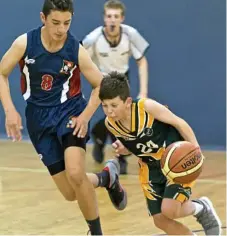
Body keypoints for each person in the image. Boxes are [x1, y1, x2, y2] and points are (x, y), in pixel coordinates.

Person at [0, 1, 127, 235]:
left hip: (70, 113)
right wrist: (9, 109)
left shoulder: (74, 48)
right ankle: (106, 178)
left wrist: (86, 116)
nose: (61, 29)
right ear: (43, 18)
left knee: (76, 174)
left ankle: (95, 232)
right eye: (56, 23)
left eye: (67, 23)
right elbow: (2, 72)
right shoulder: (24, 44)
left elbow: (101, 84)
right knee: (71, 192)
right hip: (38, 119)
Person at [97, 71, 222, 235]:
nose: (109, 111)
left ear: (127, 102)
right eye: (104, 106)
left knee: (170, 209)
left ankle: (201, 208)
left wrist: (196, 150)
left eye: (114, 105)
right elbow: (137, 146)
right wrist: (125, 149)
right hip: (150, 168)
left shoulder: (146, 107)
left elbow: (179, 123)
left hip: (175, 160)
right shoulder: (110, 124)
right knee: (160, 220)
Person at [82, 0, 149, 174]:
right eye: (109, 16)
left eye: (116, 16)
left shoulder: (130, 34)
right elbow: (82, 61)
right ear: (104, 18)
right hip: (102, 80)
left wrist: (143, 92)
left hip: (122, 78)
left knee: (119, 116)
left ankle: (99, 136)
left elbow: (141, 62)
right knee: (116, 116)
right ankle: (120, 158)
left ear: (122, 18)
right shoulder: (93, 38)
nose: (112, 20)